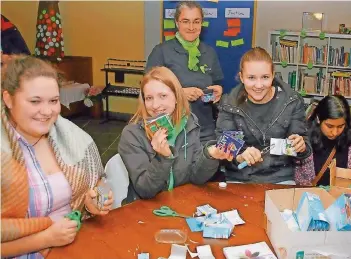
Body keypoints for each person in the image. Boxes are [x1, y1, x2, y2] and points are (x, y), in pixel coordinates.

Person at [1, 55, 113, 258]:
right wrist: (45, 239)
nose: (47, 111)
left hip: (75, 247)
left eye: (53, 101)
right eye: (35, 101)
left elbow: (96, 183)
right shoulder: (4, 155)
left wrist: (89, 202)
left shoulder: (70, 138)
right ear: (8, 99)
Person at [118, 66, 231, 200]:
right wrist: (162, 158)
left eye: (163, 96)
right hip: (144, 209)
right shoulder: (132, 134)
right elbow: (145, 190)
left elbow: (196, 177)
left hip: (181, 202)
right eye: (149, 98)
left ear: (177, 96)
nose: (155, 105)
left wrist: (210, 155)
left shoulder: (189, 123)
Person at [216, 47, 312, 184]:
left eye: (265, 77)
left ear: (273, 75)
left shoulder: (291, 101)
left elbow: (303, 146)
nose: (259, 85)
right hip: (240, 178)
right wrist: (240, 156)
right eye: (251, 78)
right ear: (241, 77)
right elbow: (224, 150)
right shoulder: (229, 104)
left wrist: (300, 146)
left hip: (280, 177)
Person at [146, 1, 224, 143]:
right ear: (177, 23)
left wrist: (218, 90)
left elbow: (217, 83)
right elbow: (148, 92)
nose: (191, 27)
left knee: (208, 164)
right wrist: (179, 93)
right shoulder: (161, 52)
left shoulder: (209, 53)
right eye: (185, 21)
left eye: (196, 21)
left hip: (205, 130)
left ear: (201, 24)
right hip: (171, 130)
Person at [295, 95, 351, 186]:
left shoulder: (348, 141)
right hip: (309, 196)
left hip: (341, 196)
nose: (335, 132)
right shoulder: (304, 139)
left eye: (340, 126)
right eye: (330, 126)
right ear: (318, 118)